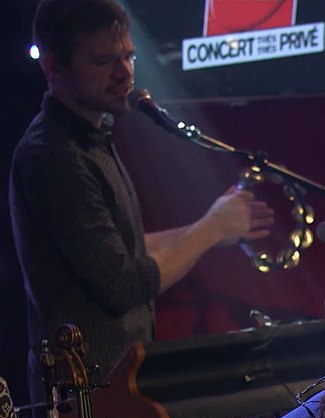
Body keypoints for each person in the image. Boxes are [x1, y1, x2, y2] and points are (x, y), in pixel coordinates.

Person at [9, 0, 273, 396]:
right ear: (52, 67)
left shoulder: (90, 138)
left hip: (112, 389)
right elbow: (123, 285)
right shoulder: (56, 156)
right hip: (87, 396)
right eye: (103, 61)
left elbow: (122, 252)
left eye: (128, 57)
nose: (125, 73)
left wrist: (216, 227)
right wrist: (211, 227)